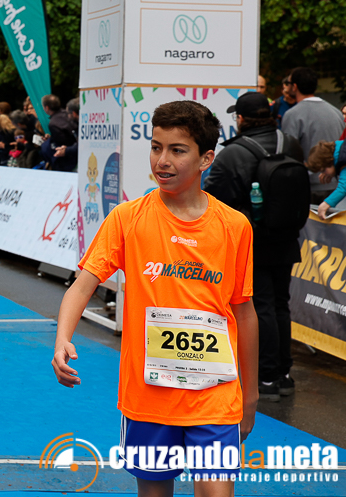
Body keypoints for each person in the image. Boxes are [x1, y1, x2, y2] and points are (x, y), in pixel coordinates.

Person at [53, 100, 258, 494]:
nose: (162, 160)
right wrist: (62, 338)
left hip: (214, 397)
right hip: (149, 398)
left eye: (177, 150)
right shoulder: (127, 218)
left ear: (206, 159)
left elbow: (245, 312)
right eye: (155, 147)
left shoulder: (235, 227)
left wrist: (249, 397)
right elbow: (82, 284)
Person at [203, 92, 305, 403]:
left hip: (251, 241)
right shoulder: (289, 143)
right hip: (287, 237)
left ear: (241, 119)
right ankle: (283, 375)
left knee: (260, 307)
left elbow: (213, 199)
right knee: (280, 304)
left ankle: (266, 376)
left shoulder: (234, 153)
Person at [281, 67, 345, 203]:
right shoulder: (335, 112)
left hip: (308, 186)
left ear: (295, 87)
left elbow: (289, 153)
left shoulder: (293, 115)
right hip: (337, 185)